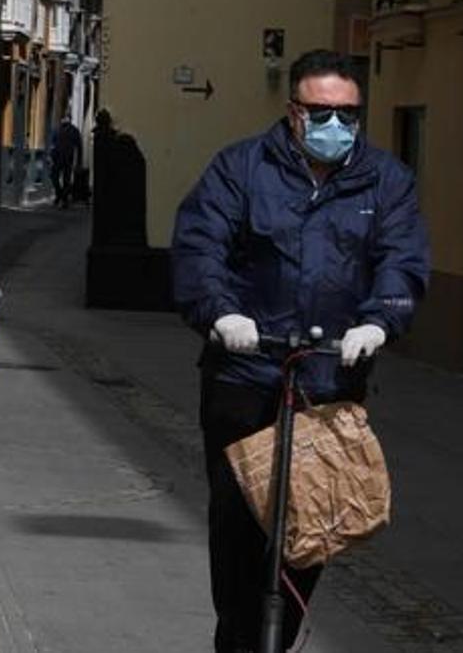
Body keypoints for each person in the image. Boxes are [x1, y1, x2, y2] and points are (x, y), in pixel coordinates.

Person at [170, 49, 430, 652]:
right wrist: (221, 312)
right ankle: (238, 638)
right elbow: (199, 247)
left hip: (327, 381)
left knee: (312, 526)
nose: (335, 124)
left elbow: (402, 261)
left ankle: (275, 639)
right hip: (245, 372)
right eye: (321, 111)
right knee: (238, 527)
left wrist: (381, 322)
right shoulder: (241, 168)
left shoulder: (386, 181)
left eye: (348, 113)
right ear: (294, 112)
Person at [50, 116, 83, 208]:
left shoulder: (74, 130)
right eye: (63, 118)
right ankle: (59, 194)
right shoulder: (56, 129)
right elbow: (52, 143)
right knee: (54, 177)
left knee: (66, 180)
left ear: (69, 119)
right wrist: (51, 156)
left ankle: (64, 199)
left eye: (66, 118)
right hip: (57, 158)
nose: (64, 120)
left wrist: (79, 161)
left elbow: (79, 146)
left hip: (68, 158)